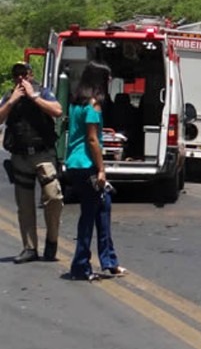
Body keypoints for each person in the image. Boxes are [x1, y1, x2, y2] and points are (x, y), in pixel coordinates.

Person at [66, 61, 127, 281]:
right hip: (87, 165)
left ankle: (109, 261)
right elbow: (92, 139)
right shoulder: (93, 105)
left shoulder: (76, 103)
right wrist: (101, 169)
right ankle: (80, 266)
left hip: (74, 163)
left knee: (103, 206)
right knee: (89, 215)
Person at [0, 62, 63, 264]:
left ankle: (51, 241)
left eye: (23, 74)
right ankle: (30, 248)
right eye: (16, 75)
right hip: (20, 157)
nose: (20, 78)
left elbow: (57, 111)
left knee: (53, 197)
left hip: (42, 155)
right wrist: (12, 101)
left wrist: (33, 97)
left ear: (31, 74)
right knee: (25, 206)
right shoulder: (10, 96)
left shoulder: (42, 92)